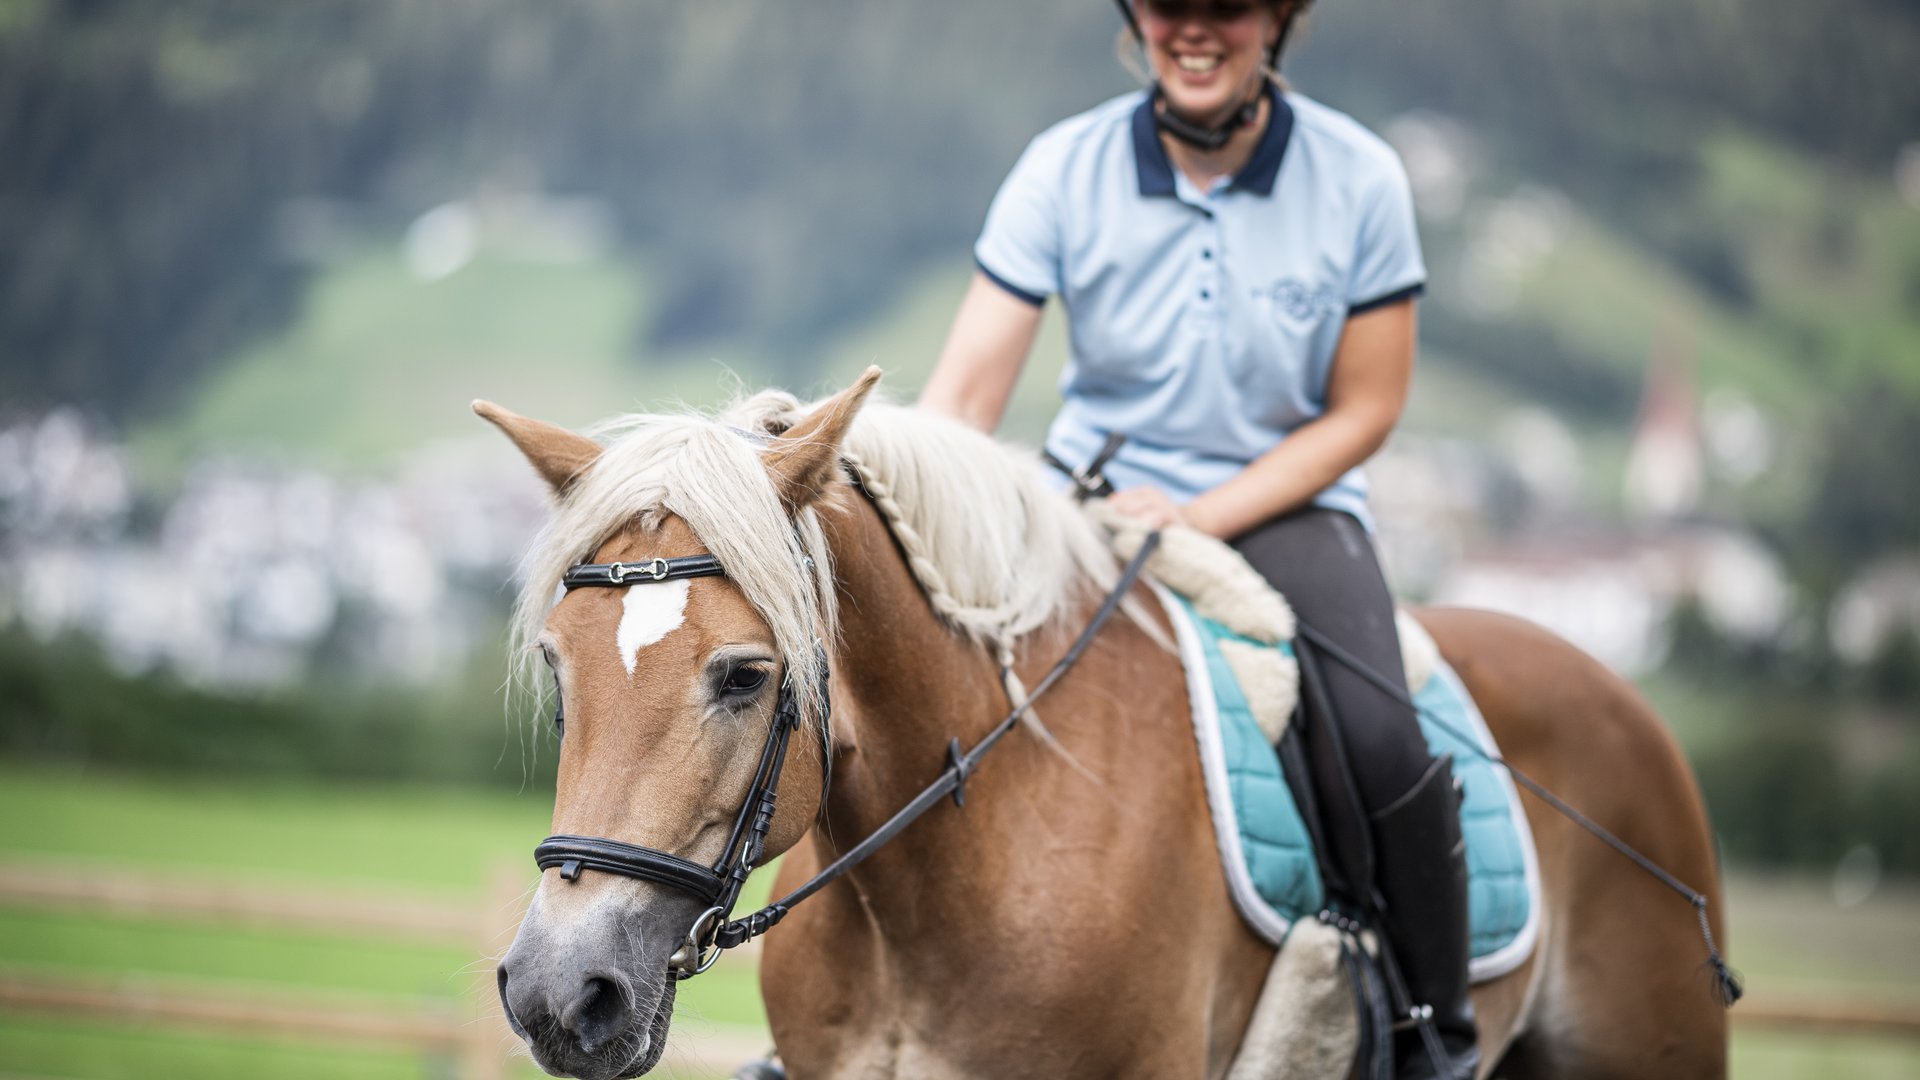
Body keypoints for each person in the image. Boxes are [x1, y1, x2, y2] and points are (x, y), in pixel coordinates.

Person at [917, 1, 1476, 1076]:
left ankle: (1434, 1032)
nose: (1197, 31)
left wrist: (1204, 515)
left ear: (1279, 19)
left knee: (1378, 735)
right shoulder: (1063, 166)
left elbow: (1367, 407)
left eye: (1229, 7)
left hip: (1290, 508)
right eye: (1172, 5)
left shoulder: (1360, 177)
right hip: (1087, 508)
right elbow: (963, 402)